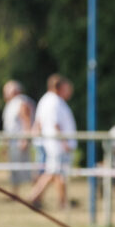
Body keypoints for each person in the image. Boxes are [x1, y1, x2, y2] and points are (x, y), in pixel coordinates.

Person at [28, 74, 77, 210]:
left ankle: (38, 197)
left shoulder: (47, 100)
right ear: (58, 87)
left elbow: (38, 122)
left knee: (54, 173)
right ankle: (59, 202)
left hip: (53, 143)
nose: (69, 92)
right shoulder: (54, 102)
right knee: (56, 172)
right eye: (67, 88)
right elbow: (55, 124)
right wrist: (64, 142)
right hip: (57, 144)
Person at [2, 80, 36, 194]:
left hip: (19, 142)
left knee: (26, 169)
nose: (5, 93)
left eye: (7, 91)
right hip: (13, 142)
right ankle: (15, 193)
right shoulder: (11, 103)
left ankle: (36, 194)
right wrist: (5, 144)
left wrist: (25, 139)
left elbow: (26, 120)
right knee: (15, 169)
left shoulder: (21, 102)